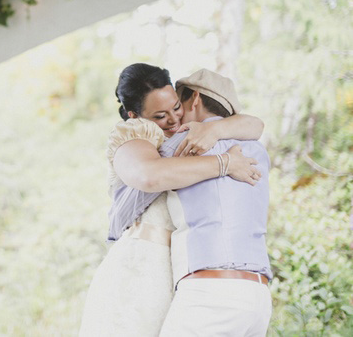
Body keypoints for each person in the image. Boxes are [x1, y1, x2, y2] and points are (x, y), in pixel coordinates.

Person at [79, 63, 263, 336]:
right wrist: (224, 163)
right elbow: (150, 176)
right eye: (160, 115)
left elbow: (255, 125)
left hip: (179, 276)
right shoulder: (134, 141)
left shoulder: (196, 136)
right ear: (135, 115)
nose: (174, 119)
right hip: (139, 268)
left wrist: (215, 130)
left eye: (177, 107)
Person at [159, 69, 271, 336]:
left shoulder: (182, 144)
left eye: (178, 106)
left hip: (211, 291)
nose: (174, 119)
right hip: (258, 296)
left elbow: (143, 180)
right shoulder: (257, 150)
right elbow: (255, 125)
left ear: (194, 99)